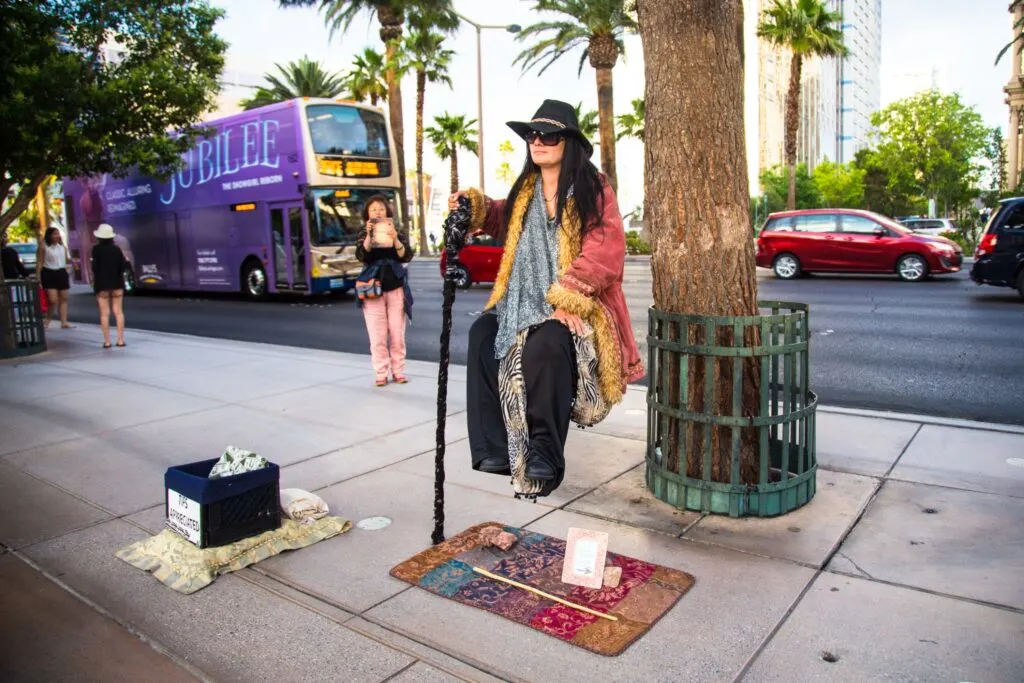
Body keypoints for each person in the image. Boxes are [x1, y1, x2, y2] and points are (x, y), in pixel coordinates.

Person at [448, 99, 644, 498]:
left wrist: (567, 295)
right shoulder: (526, 190)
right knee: (484, 332)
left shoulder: (594, 187)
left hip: (581, 304)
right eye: (531, 135)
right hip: (525, 299)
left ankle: (545, 456)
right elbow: (501, 217)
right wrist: (474, 208)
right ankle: (493, 448)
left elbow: (607, 248)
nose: (537, 141)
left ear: (568, 143)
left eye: (548, 135)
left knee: (547, 342)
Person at [355, 195, 414, 386]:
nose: (378, 212)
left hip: (395, 286)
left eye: (381, 209)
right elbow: (361, 256)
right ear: (367, 214)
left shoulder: (395, 229)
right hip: (372, 288)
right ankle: (381, 372)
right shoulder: (363, 231)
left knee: (397, 334)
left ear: (387, 211)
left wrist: (395, 238)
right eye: (373, 210)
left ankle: (398, 371)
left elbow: (406, 256)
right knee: (377, 335)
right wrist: (367, 237)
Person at [90, 224, 128, 348]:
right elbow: (123, 267)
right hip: (117, 283)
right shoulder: (117, 249)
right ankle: (120, 340)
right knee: (119, 312)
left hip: (102, 284)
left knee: (104, 314)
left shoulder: (96, 249)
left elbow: (94, 267)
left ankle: (107, 342)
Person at [37, 227, 73, 328]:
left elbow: (66, 260)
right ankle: (48, 319)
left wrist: (69, 268)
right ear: (49, 235)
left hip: (61, 272)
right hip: (48, 272)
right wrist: (38, 276)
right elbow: (40, 261)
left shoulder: (62, 247)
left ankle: (64, 322)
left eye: (58, 234)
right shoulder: (44, 247)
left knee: (64, 297)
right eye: (54, 234)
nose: (57, 236)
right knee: (52, 299)